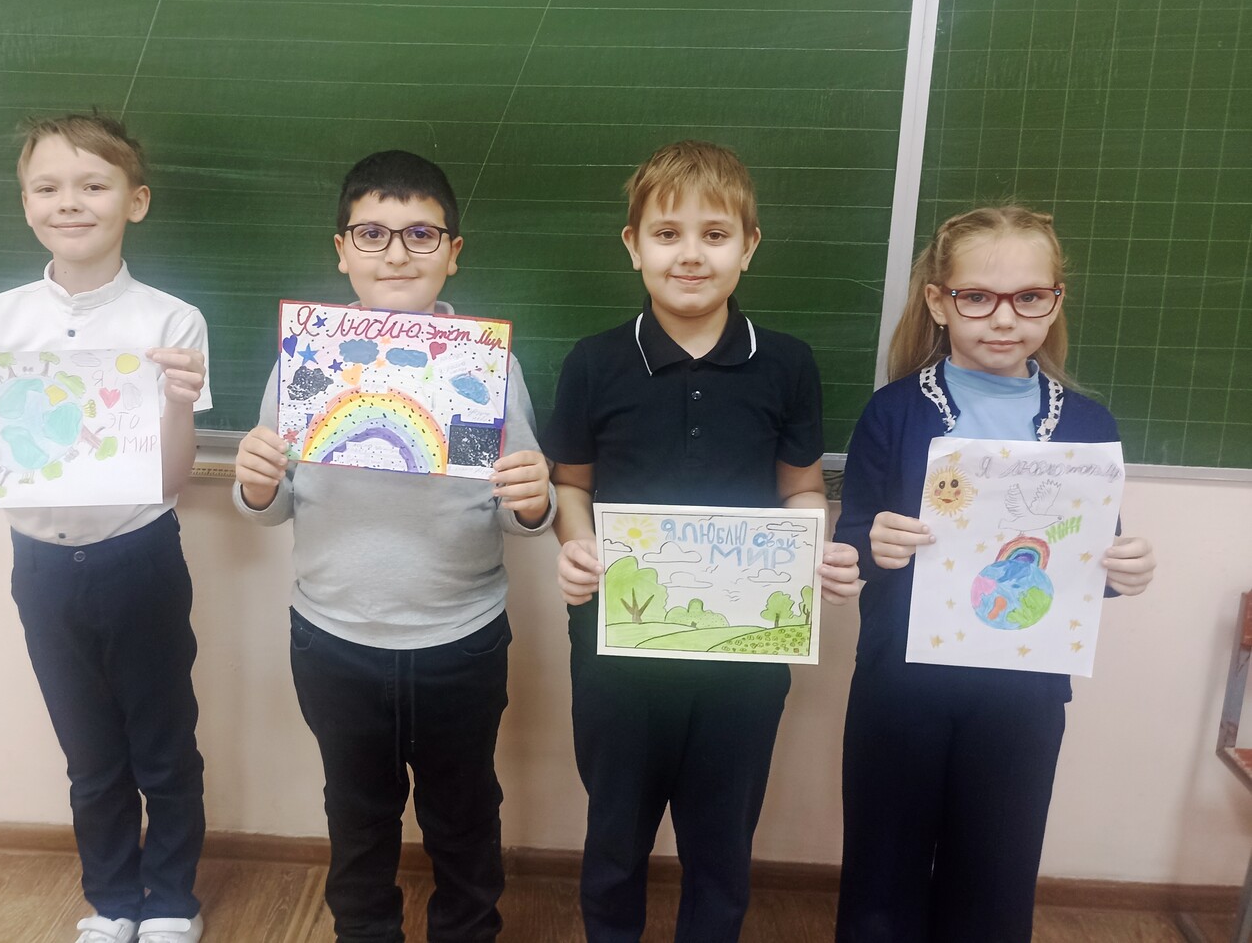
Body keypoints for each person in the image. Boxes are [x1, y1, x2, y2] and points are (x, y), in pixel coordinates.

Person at [0, 114, 211, 943]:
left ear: (136, 201)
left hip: (140, 555)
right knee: (89, 753)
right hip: (42, 565)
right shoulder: (0, 318)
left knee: (163, 746)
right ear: (25, 204)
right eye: (48, 187)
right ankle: (112, 901)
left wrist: (174, 403)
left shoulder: (172, 321)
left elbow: (170, 479)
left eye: (94, 185)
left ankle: (171, 899)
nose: (70, 203)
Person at [231, 149, 555, 943]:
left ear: (453, 252)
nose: (397, 253)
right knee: (357, 815)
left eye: (420, 233)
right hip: (335, 637)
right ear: (341, 250)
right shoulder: (306, 362)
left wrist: (534, 501)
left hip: (460, 638)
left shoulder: (488, 366)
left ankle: (467, 930)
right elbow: (271, 508)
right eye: (372, 233)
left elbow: (519, 515)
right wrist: (257, 484)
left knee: (464, 813)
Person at [543, 140, 862, 943]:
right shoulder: (593, 364)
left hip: (743, 656)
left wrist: (809, 553)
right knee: (615, 837)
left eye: (715, 235)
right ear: (633, 245)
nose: (690, 254)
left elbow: (800, 489)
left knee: (721, 845)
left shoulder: (787, 365)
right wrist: (576, 548)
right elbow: (571, 485)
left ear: (749, 247)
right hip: (619, 647)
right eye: (667, 234)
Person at [835, 205, 1158, 943]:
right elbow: (853, 542)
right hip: (901, 686)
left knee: (996, 876)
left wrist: (1125, 568)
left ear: (1055, 300)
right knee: (883, 872)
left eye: (1029, 297)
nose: (1004, 319)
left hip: (1023, 696)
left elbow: (1089, 558)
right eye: (977, 297)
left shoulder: (1088, 424)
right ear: (938, 301)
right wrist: (874, 543)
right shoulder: (892, 414)